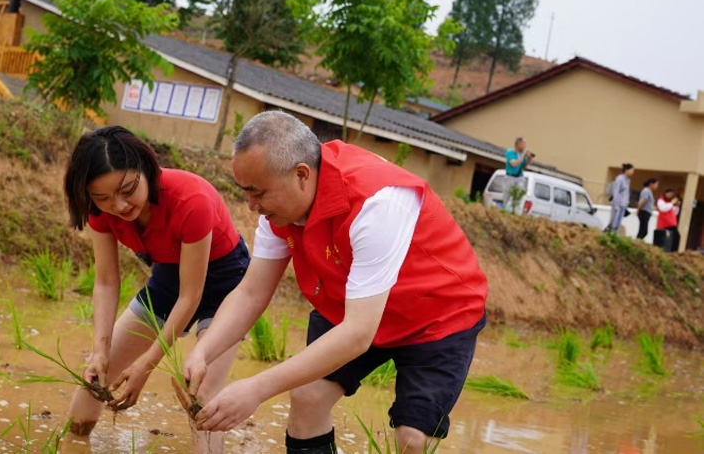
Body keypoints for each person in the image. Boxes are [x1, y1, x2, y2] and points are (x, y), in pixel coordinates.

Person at [182, 111, 488, 454]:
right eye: (245, 193)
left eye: (257, 193)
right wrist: (203, 352)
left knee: (413, 440)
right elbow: (252, 291)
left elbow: (358, 334)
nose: (251, 206)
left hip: (437, 314)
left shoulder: (376, 202)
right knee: (307, 397)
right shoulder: (277, 208)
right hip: (351, 302)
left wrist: (256, 388)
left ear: (301, 175)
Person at [62, 126, 247, 452]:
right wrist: (100, 351)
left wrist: (145, 366)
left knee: (200, 396)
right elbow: (105, 281)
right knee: (94, 379)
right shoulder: (101, 212)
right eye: (102, 198)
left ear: (146, 169)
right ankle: (73, 442)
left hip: (226, 284)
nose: (118, 206)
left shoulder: (192, 199)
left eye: (127, 189)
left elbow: (192, 296)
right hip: (168, 278)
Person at [502, 137, 534, 213]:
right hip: (510, 177)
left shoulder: (521, 154)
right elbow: (514, 164)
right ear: (518, 144)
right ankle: (504, 210)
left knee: (519, 195)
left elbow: (523, 166)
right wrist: (523, 156)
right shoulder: (510, 152)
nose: (524, 146)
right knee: (507, 195)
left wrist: (529, 159)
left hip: (519, 176)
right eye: (523, 144)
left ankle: (515, 211)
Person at [606, 164, 634, 232]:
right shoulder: (619, 178)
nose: (632, 172)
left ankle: (615, 234)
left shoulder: (628, 180)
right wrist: (616, 204)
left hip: (623, 205)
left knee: (618, 223)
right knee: (614, 222)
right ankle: (610, 233)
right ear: (626, 170)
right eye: (631, 170)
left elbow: (625, 192)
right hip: (617, 204)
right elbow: (616, 191)